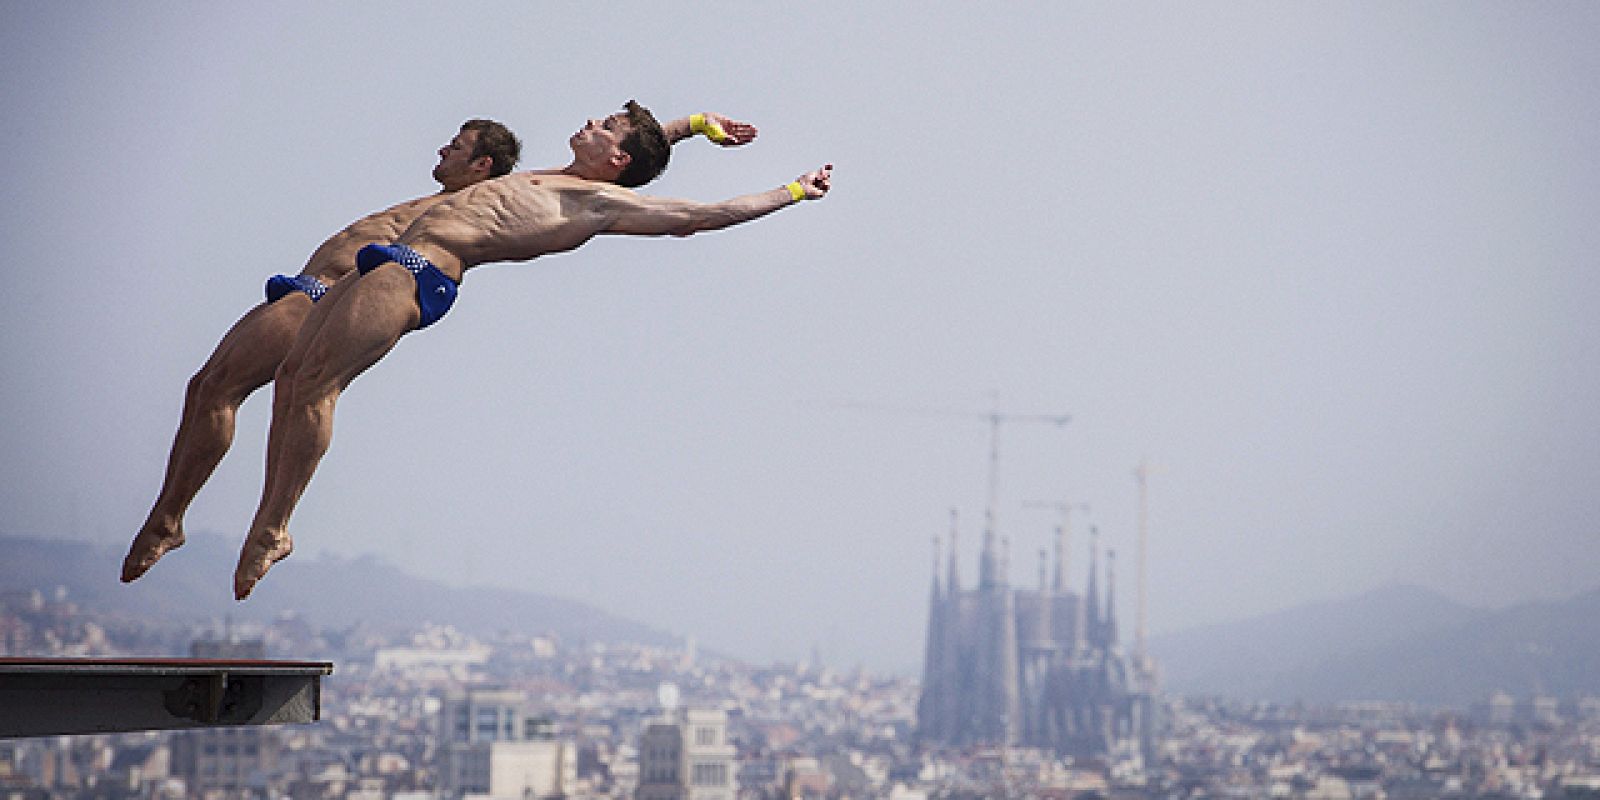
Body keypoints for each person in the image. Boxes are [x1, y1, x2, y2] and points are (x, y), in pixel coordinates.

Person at [122, 109, 759, 586]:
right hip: (334, 277)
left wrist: (787, 191)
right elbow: (630, 147)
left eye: (459, 148)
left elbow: (664, 199)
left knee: (305, 385)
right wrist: (692, 125)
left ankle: (270, 524)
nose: (443, 153)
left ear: (483, 166)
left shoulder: (557, 198)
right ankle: (171, 517)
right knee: (218, 386)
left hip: (377, 279)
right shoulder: (536, 181)